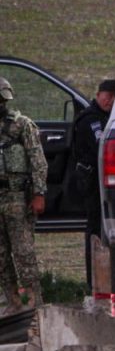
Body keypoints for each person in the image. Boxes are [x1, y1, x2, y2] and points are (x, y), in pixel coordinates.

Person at [0, 77, 48, 312]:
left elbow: (38, 162)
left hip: (17, 197)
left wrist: (38, 193)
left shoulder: (22, 126)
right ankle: (12, 303)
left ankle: (33, 303)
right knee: (1, 257)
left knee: (24, 253)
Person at [71, 79, 115, 293]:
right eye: (106, 96)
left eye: (113, 96)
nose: (109, 100)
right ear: (98, 95)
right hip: (92, 185)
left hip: (108, 184)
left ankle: (109, 279)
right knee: (95, 231)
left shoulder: (112, 117)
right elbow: (100, 146)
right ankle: (94, 282)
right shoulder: (89, 119)